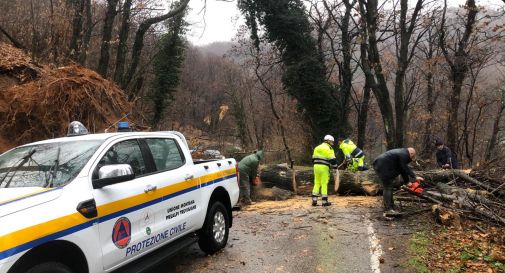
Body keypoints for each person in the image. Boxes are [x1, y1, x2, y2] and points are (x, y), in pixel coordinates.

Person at [373, 147, 424, 216]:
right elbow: (404, 167)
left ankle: (391, 206)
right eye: (412, 156)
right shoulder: (404, 155)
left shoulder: (402, 153)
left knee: (389, 186)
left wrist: (407, 182)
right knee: (387, 187)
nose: (412, 158)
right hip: (382, 165)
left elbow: (402, 169)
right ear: (411, 153)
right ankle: (388, 209)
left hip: (383, 165)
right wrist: (415, 176)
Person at [311, 135, 337, 206]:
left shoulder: (317, 147)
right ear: (329, 141)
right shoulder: (329, 148)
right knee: (324, 183)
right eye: (332, 142)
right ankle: (324, 201)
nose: (332, 143)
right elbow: (333, 160)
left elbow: (313, 159)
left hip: (316, 167)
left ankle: (314, 200)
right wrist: (335, 167)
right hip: (324, 167)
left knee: (316, 182)